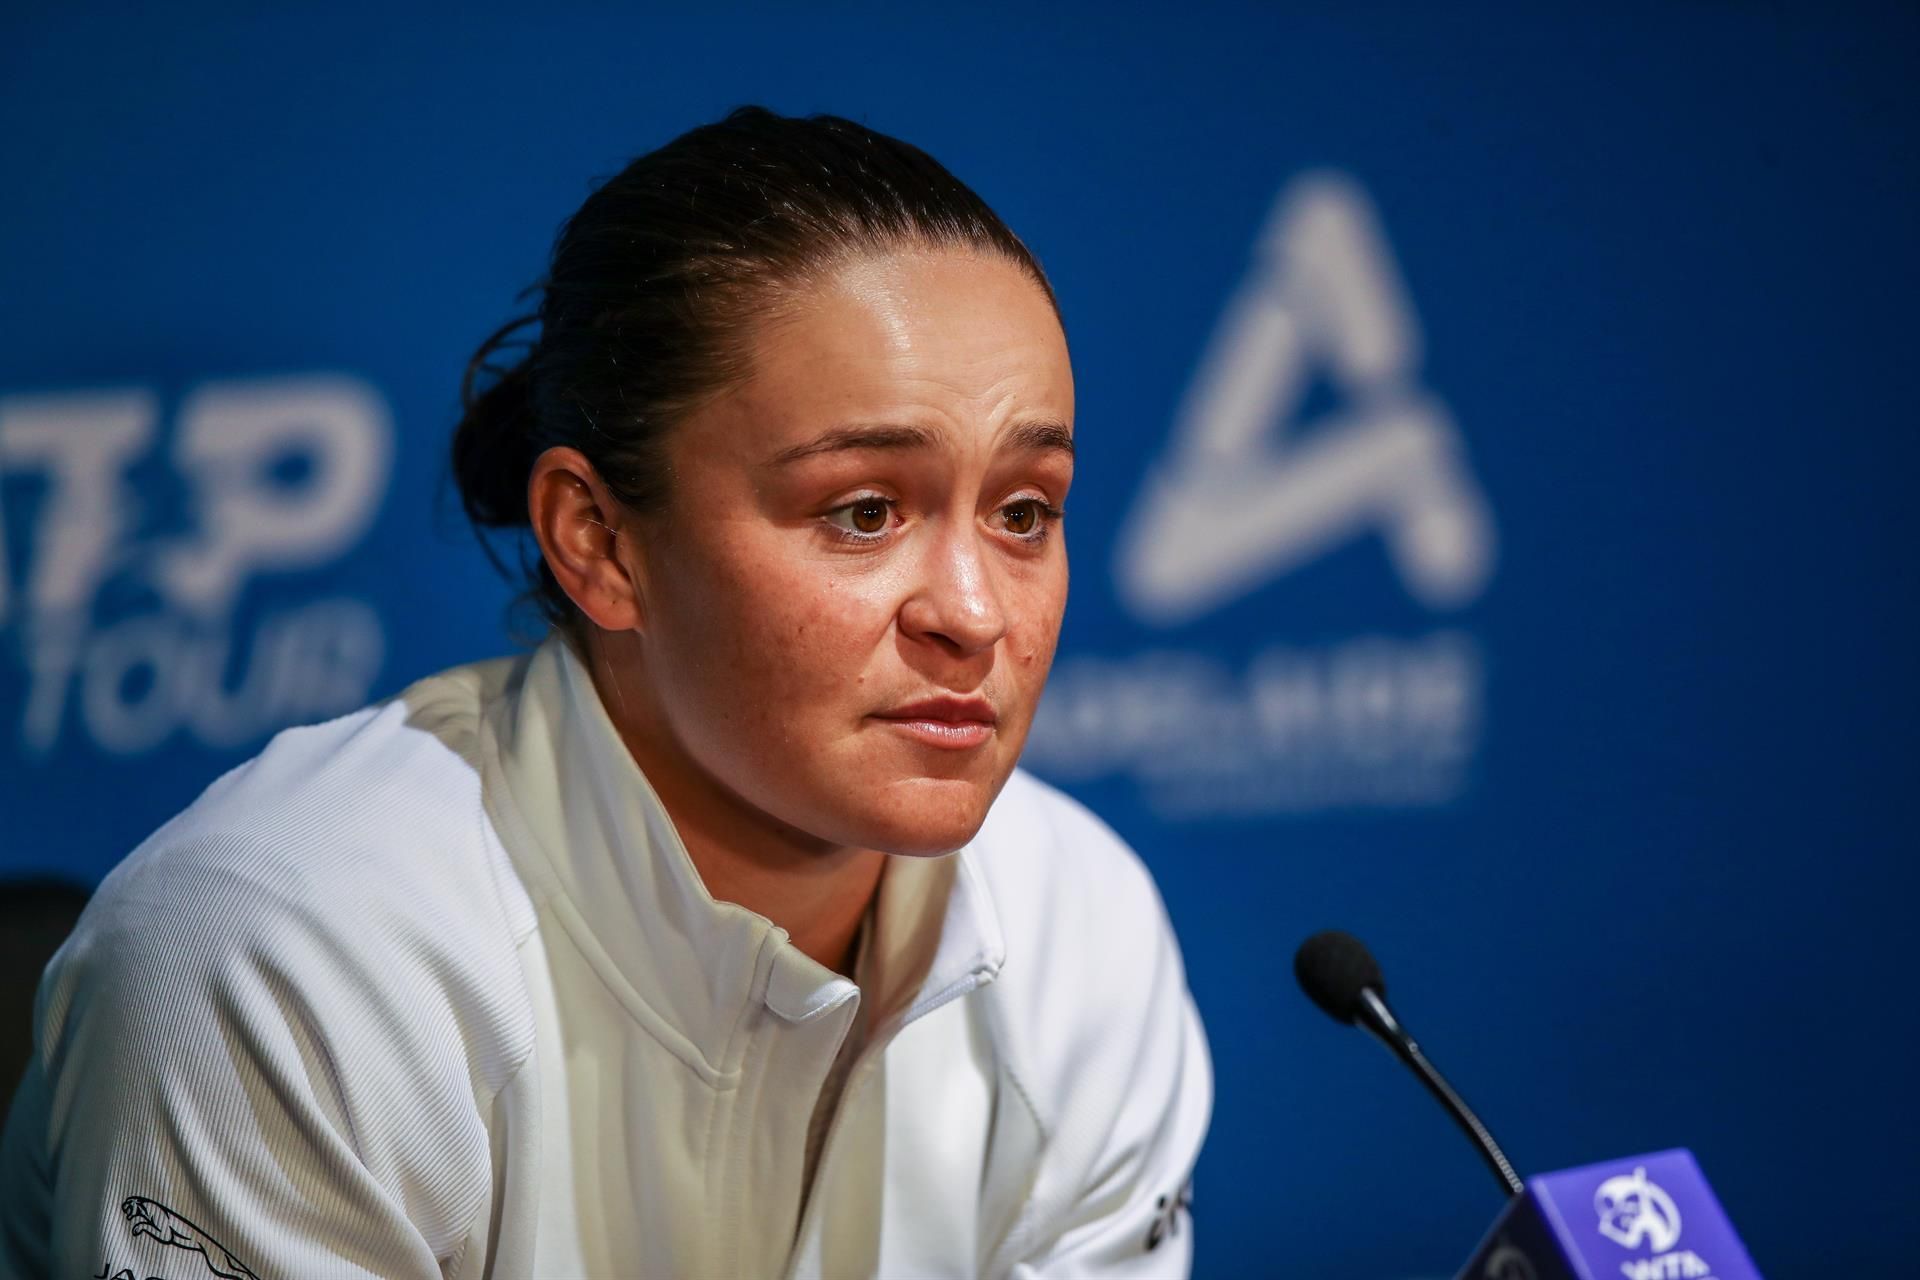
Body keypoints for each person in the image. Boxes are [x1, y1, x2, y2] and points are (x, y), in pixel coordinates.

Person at [0, 106, 1211, 1278]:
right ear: (599, 541)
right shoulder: (285, 959)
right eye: (862, 512)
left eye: (1023, 512)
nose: (977, 611)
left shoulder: (1080, 927)